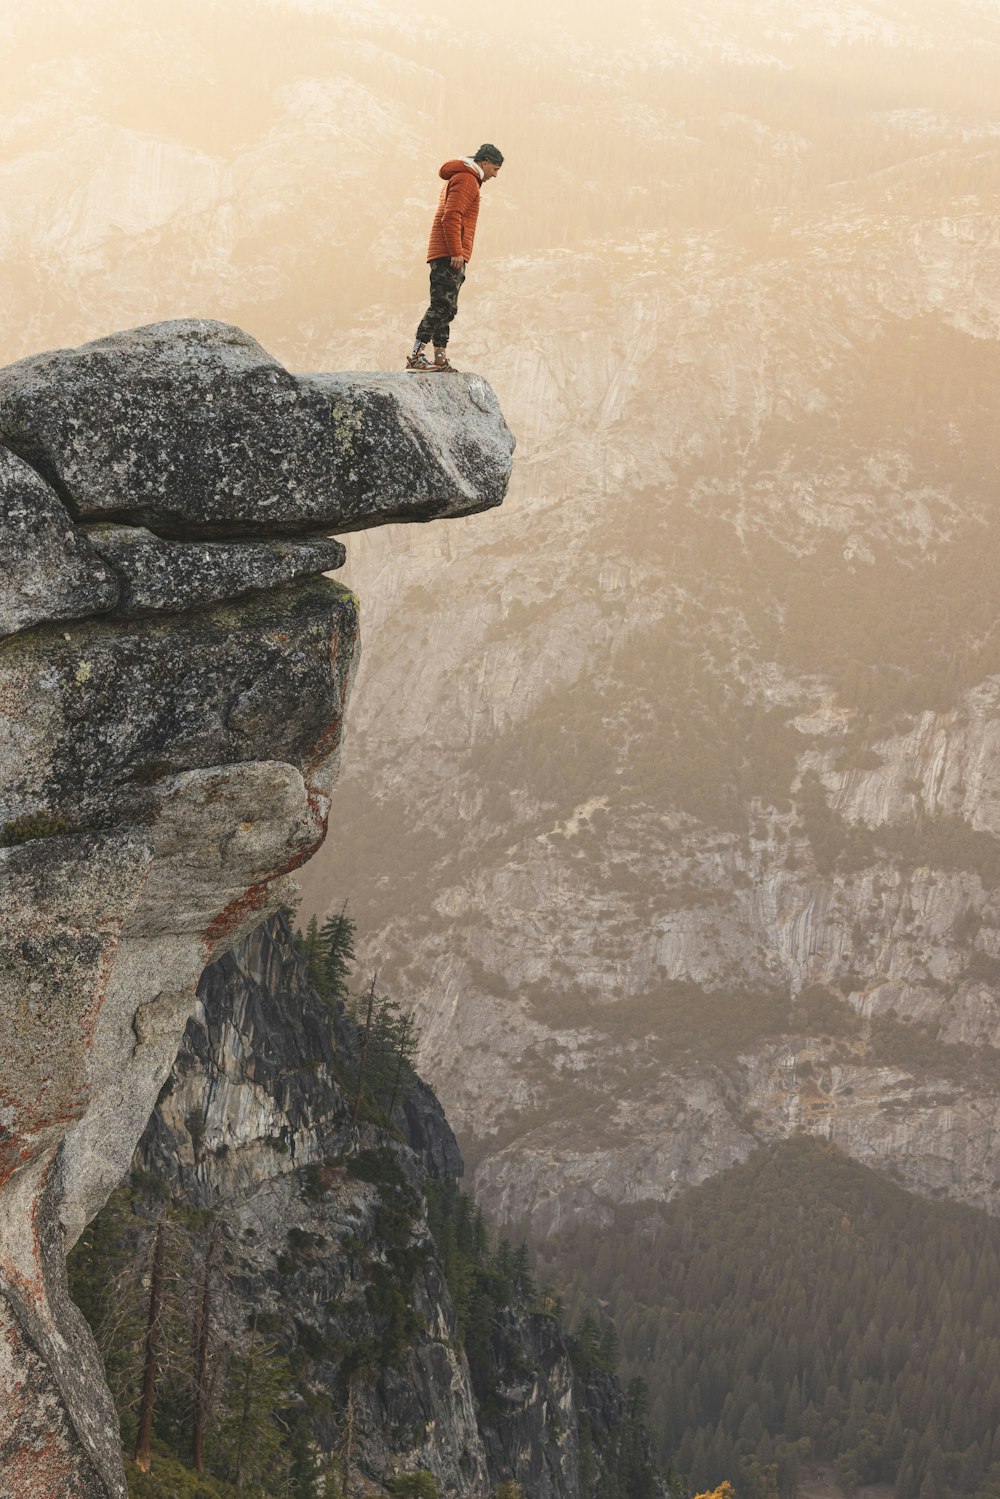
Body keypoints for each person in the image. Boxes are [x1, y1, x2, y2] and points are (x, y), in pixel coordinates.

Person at [406, 144, 504, 373]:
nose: (495, 175)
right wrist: (456, 251)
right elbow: (451, 216)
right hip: (448, 254)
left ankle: (439, 359)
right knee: (441, 306)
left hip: (448, 252)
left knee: (447, 307)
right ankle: (415, 356)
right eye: (496, 168)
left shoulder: (465, 178)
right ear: (485, 162)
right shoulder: (466, 179)